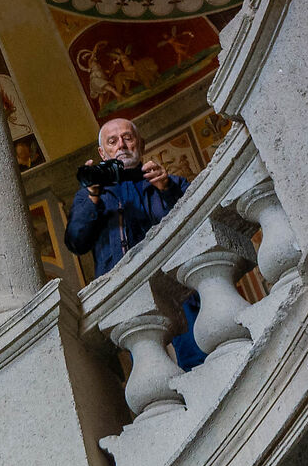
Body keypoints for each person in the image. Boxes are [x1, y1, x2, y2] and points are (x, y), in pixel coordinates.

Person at [64, 115, 206, 369]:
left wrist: (167, 190)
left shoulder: (169, 182)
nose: (121, 145)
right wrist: (92, 197)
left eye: (127, 138)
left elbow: (201, 223)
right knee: (153, 370)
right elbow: (76, 242)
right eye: (112, 141)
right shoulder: (91, 195)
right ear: (102, 152)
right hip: (129, 294)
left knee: (199, 359)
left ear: (140, 143)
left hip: (177, 286)